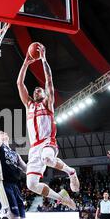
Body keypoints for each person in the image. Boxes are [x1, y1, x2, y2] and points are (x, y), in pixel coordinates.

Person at [16, 43, 78, 209]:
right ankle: (61, 197)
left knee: (47, 158)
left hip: (48, 142)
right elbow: (19, 83)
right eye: (35, 90)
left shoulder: (48, 104)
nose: (37, 90)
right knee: (31, 184)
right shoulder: (28, 104)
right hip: (34, 148)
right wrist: (26, 63)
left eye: (39, 90)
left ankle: (71, 172)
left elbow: (49, 80)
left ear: (44, 94)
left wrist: (43, 59)